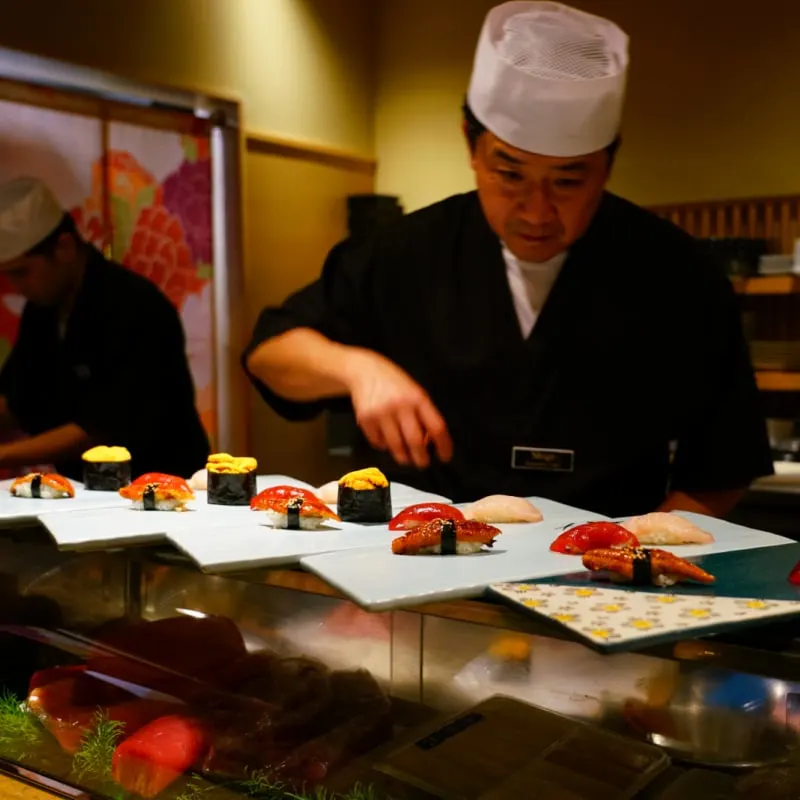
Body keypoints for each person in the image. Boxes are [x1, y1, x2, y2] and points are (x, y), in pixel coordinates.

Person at [242, 1, 773, 518]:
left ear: (608, 165)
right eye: (510, 174)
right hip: (420, 565)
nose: (537, 212)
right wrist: (358, 370)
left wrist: (641, 557)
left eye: (568, 180)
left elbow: (722, 466)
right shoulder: (404, 252)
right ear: (471, 147)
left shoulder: (677, 275)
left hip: (606, 578)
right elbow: (270, 355)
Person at [0, 176, 210, 481]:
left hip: (163, 485)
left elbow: (104, 428)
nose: (16, 287)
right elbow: (17, 393)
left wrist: (4, 455)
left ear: (65, 247)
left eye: (21, 272)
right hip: (86, 489)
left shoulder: (136, 304)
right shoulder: (42, 310)